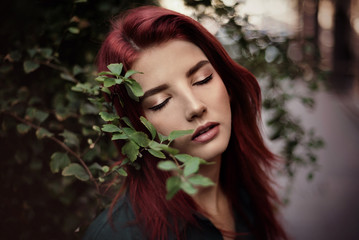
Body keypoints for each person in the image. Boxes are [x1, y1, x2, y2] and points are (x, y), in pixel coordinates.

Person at [84, 5, 288, 240]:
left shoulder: (245, 193)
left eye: (203, 79)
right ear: (137, 128)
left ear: (227, 83)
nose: (194, 107)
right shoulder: (117, 235)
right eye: (160, 102)